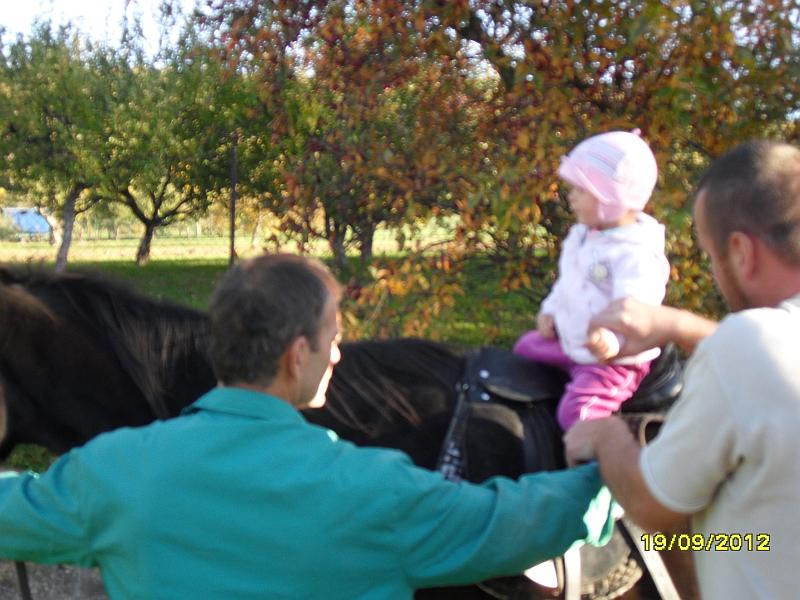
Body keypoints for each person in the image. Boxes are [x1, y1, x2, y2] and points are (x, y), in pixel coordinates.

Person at [0, 253, 615, 599]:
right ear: (299, 355)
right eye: (333, 339)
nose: (339, 355)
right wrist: (610, 467)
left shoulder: (109, 476)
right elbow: (513, 524)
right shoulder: (375, 492)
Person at [565, 140, 800, 600]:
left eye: (712, 257)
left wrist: (605, 434)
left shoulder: (745, 347)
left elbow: (652, 505)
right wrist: (681, 327)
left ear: (741, 252)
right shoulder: (762, 349)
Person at [514, 130, 670, 430]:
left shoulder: (635, 252)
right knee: (523, 350)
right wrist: (550, 311)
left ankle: (600, 458)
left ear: (611, 199)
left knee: (577, 415)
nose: (570, 197)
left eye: (580, 190)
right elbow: (567, 285)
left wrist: (614, 339)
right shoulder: (582, 236)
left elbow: (637, 310)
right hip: (573, 343)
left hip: (612, 360)